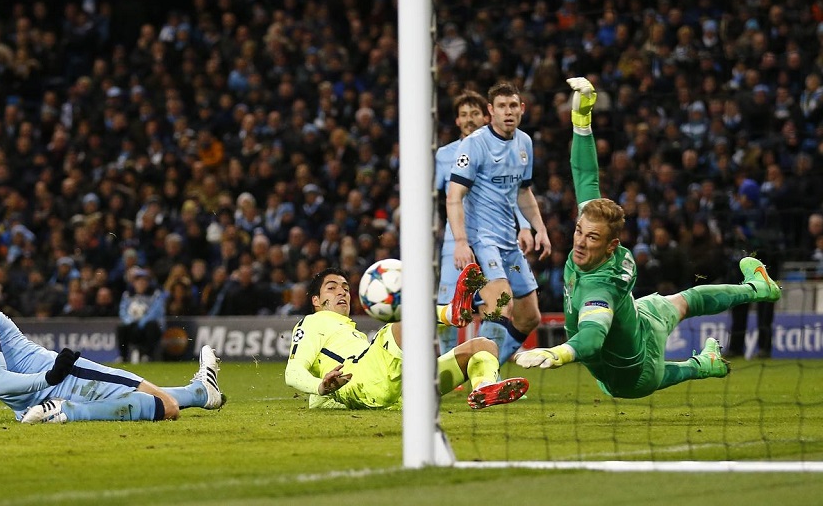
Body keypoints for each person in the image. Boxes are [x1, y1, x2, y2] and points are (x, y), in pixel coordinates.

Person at [514, 78, 782, 398]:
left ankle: (754, 291)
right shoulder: (603, 235)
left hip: (634, 376)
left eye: (592, 238)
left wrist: (557, 353)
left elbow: (591, 338)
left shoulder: (600, 285)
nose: (581, 242)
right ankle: (747, 302)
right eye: (579, 232)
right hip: (637, 330)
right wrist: (581, 121)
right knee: (685, 301)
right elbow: (585, 176)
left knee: (685, 303)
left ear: (611, 246)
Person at [0, 238, 225, 423]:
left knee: (140, 395)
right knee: (165, 407)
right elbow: (0, 379)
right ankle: (65, 411)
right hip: (63, 379)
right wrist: (49, 378)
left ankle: (201, 392)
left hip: (24, 405)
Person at [284, 265, 529, 410]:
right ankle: (449, 312)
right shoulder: (312, 322)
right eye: (332, 287)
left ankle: (484, 387)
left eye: (346, 288)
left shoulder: (351, 332)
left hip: (396, 392)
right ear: (316, 301)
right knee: (396, 327)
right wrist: (321, 387)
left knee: (483, 345)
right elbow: (292, 372)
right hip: (358, 380)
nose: (343, 292)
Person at [446, 82, 551, 366]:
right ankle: (485, 376)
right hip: (482, 241)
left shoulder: (524, 143)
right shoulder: (475, 144)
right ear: (490, 111)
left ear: (522, 109)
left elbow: (523, 191)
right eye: (502, 107)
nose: (508, 112)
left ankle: (482, 371)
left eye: (513, 106)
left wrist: (538, 227)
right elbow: (454, 195)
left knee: (530, 316)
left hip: (509, 241)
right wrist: (460, 241)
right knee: (501, 305)